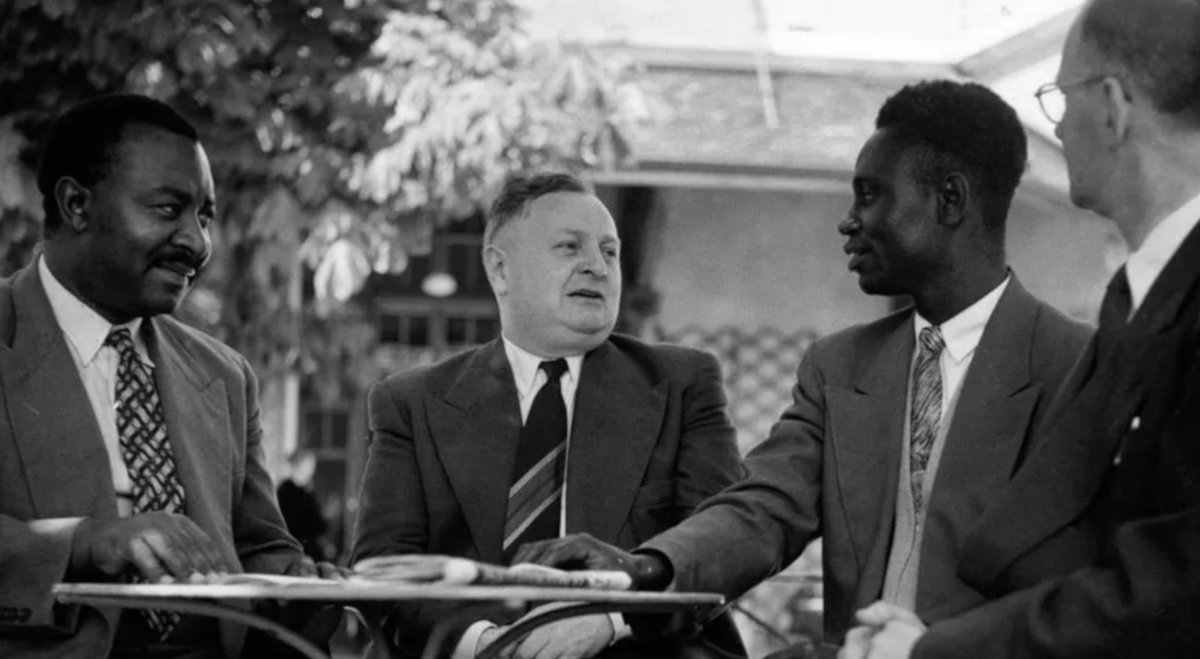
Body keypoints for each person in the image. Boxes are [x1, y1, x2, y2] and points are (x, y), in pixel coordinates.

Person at [512, 81, 1093, 651]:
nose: (848, 221)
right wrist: (641, 569)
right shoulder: (838, 367)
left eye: (870, 195)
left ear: (950, 199)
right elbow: (763, 507)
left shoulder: (1078, 368)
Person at [837, 1, 1200, 657]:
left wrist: (935, 652)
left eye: (1062, 99)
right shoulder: (1134, 298)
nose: (1057, 131)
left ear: (1113, 108)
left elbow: (1177, 584)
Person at [350, 172, 746, 659]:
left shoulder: (683, 385)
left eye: (610, 251)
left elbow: (726, 543)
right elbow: (384, 567)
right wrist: (486, 645)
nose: (597, 267)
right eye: (569, 247)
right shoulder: (410, 403)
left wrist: (612, 618)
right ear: (500, 271)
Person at [0, 94, 337, 658]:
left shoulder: (224, 375)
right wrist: (87, 540)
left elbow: (258, 550)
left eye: (204, 216)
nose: (198, 244)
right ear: (76, 204)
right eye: (168, 209)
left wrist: (301, 585)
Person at [277, 450, 334, 562]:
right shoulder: (299, 495)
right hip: (301, 552)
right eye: (310, 466)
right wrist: (327, 515)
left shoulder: (283, 491)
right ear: (302, 466)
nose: (312, 471)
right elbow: (316, 526)